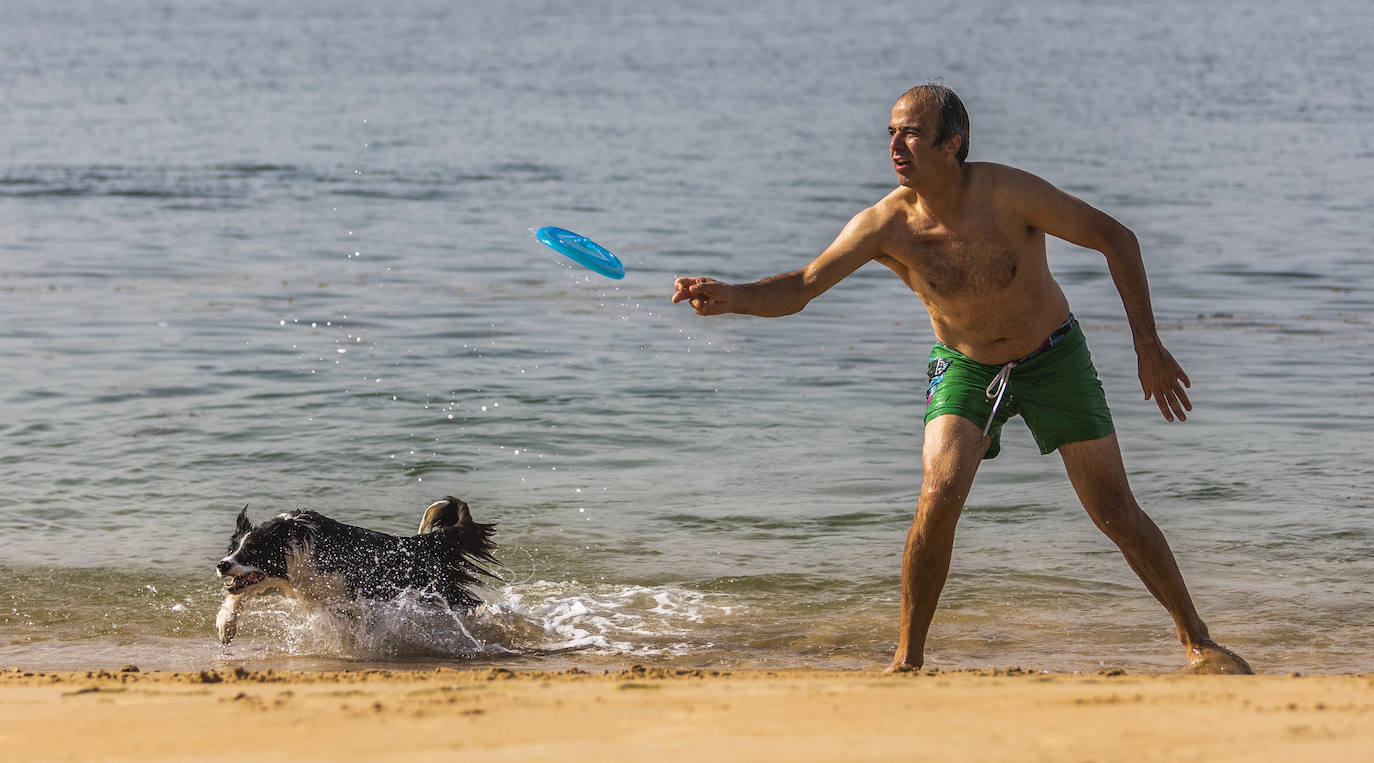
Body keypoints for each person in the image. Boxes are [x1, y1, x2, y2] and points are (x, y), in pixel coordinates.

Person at [671, 83, 1252, 674]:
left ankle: (1197, 640)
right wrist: (731, 296)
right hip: (965, 365)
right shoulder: (885, 224)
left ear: (953, 144)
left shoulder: (1009, 194)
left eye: (912, 132)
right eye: (892, 132)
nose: (897, 144)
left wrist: (1147, 344)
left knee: (1115, 511)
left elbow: (1116, 240)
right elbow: (802, 286)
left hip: (1053, 355)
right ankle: (908, 659)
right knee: (939, 495)